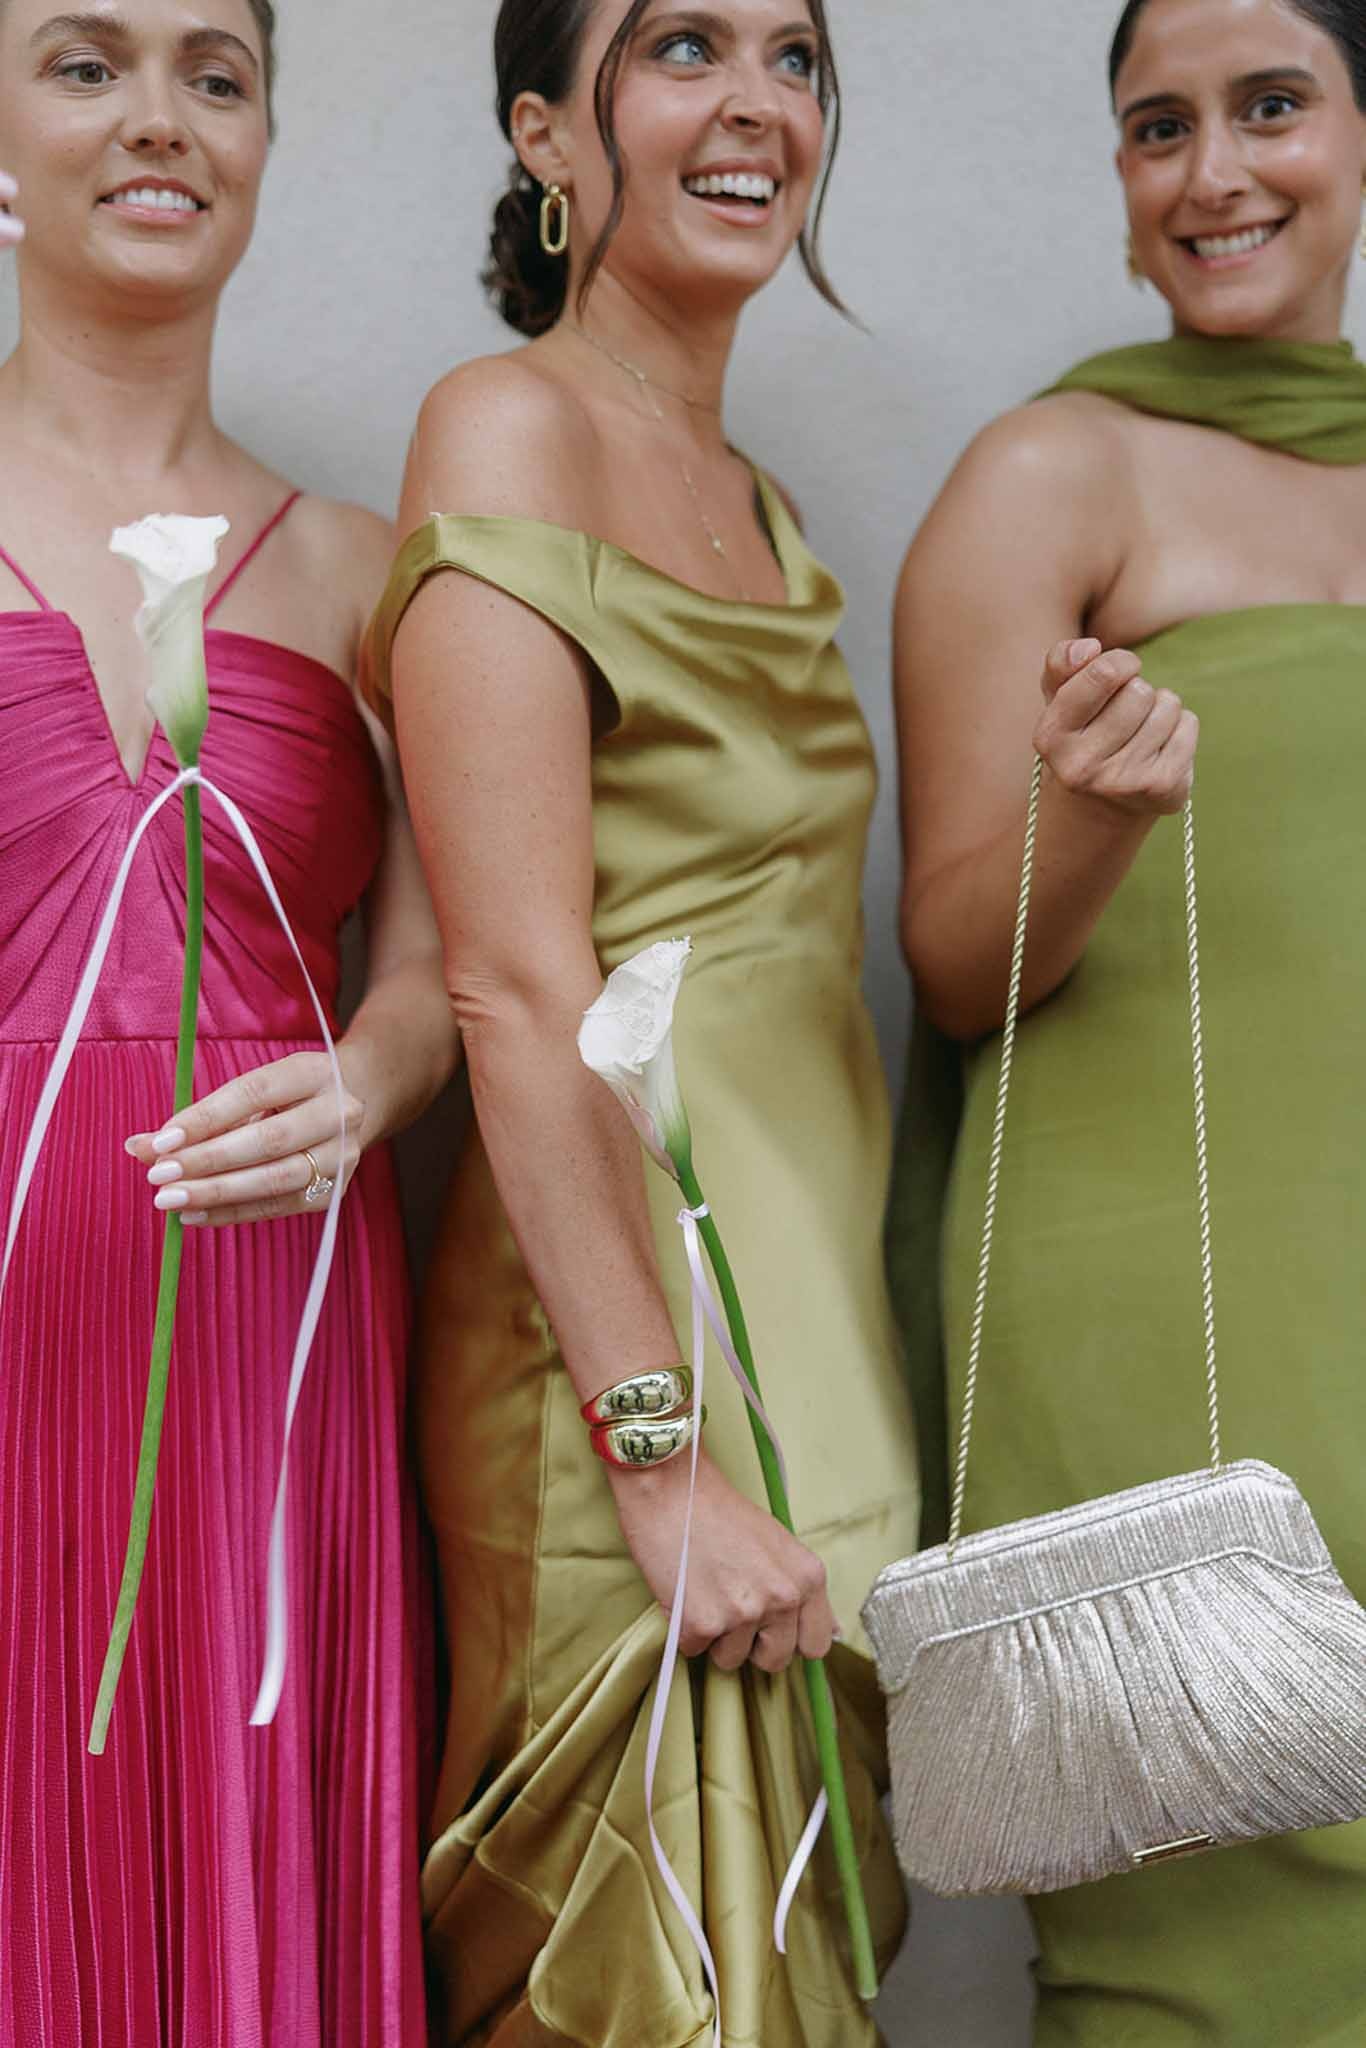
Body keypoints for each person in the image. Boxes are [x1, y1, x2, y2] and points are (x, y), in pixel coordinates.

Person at [361, 0, 920, 2040]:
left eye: (792, 55)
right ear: (546, 133)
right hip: (613, 1362)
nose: (756, 100)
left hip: (811, 1348)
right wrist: (661, 1458)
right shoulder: (506, 427)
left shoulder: (769, 509)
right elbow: (511, 982)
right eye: (682, 44)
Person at [890, 0, 1366, 2039]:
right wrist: (1087, 809)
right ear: (1115, 182)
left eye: (1269, 106)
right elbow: (947, 959)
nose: (1213, 169)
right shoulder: (1050, 471)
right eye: (1156, 126)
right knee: (1206, 1902)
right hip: (1162, 1295)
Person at [0, 3, 456, 2041]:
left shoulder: (361, 569)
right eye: (83, 63)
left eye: (215, 74)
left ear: (263, 142)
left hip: (271, 1356)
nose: (158, 119)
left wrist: (365, 1080)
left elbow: (448, 966)